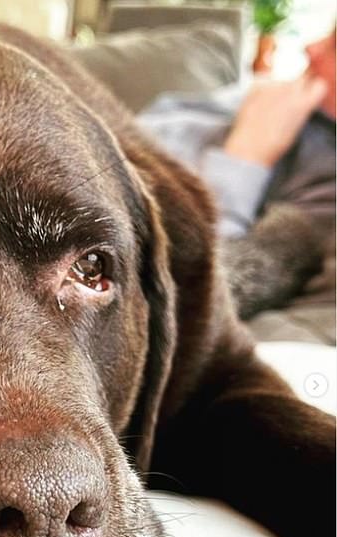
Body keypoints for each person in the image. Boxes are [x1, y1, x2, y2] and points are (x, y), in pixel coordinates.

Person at [137, 29, 336, 340]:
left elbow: (201, 286)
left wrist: (247, 155)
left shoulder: (322, 183)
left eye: (334, 47)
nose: (310, 47)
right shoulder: (274, 96)